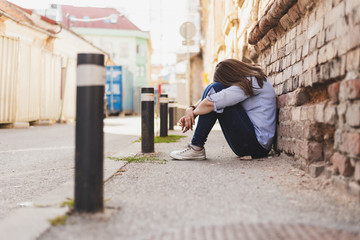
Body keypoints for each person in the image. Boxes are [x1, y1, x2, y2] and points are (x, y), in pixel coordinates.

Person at [170, 58, 277, 160]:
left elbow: (210, 102)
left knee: (215, 90)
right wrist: (191, 109)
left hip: (255, 146)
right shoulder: (251, 79)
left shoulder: (251, 82)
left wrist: (192, 114)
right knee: (213, 89)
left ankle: (196, 147)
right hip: (253, 144)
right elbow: (211, 96)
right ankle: (196, 147)